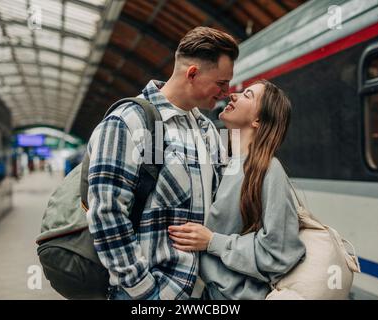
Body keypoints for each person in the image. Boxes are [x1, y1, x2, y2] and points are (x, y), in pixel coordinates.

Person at [86, 27, 239, 300]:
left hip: (202, 291)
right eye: (221, 83)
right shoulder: (130, 121)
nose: (226, 92)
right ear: (192, 73)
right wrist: (143, 290)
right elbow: (106, 212)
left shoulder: (207, 129)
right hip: (153, 292)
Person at [168, 80, 306, 300]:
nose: (234, 95)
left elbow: (280, 253)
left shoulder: (269, 170)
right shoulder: (221, 165)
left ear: (258, 120)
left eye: (247, 95)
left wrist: (213, 242)